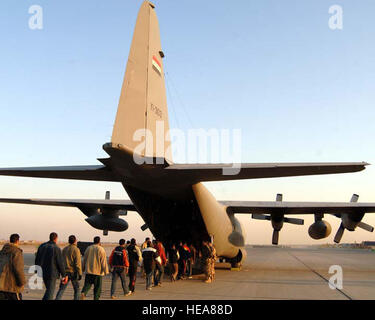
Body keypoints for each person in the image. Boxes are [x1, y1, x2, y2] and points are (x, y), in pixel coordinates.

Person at [35, 232, 67, 300]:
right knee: (50, 293)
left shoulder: (42, 246)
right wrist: (64, 275)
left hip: (42, 272)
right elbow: (60, 262)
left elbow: (37, 259)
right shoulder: (56, 248)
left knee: (48, 290)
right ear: (56, 239)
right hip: (52, 273)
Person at [55, 235, 82, 300]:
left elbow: (61, 261)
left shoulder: (64, 249)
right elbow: (78, 263)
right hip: (73, 272)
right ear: (75, 241)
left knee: (61, 289)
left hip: (65, 272)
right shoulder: (76, 249)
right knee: (77, 289)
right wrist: (80, 273)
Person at [0, 234, 26, 300]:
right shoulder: (16, 252)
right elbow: (18, 269)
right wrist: (22, 282)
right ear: (17, 241)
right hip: (12, 287)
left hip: (1, 286)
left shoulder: (2, 252)